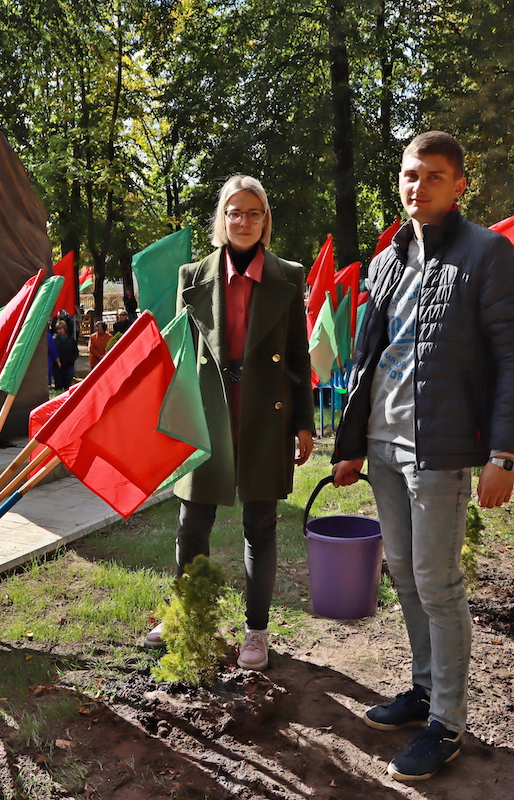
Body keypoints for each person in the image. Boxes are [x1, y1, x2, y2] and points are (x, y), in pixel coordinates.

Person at [332, 132, 514, 781]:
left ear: (459, 186)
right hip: (383, 446)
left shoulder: (488, 254)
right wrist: (350, 445)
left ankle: (447, 722)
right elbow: (367, 359)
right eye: (410, 174)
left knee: (438, 582)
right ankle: (423, 691)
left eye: (433, 176)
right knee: (403, 573)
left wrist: (504, 453)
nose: (417, 186)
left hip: (439, 450)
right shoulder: (388, 258)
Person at [144, 174, 315, 672]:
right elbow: (179, 352)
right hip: (207, 412)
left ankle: (256, 631)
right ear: (222, 218)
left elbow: (299, 354)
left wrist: (304, 422)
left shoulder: (289, 276)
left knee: (259, 525)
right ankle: (184, 616)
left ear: (265, 220)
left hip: (265, 414)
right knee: (191, 521)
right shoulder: (192, 275)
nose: (243, 221)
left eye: (253, 213)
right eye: (234, 212)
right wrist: (168, 417)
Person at [52, 318, 79, 391]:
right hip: (57, 367)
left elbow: (75, 351)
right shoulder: (55, 339)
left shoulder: (71, 339)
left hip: (69, 366)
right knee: (58, 386)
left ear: (65, 328)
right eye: (57, 329)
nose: (59, 331)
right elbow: (53, 352)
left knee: (67, 386)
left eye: (61, 329)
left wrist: (72, 360)